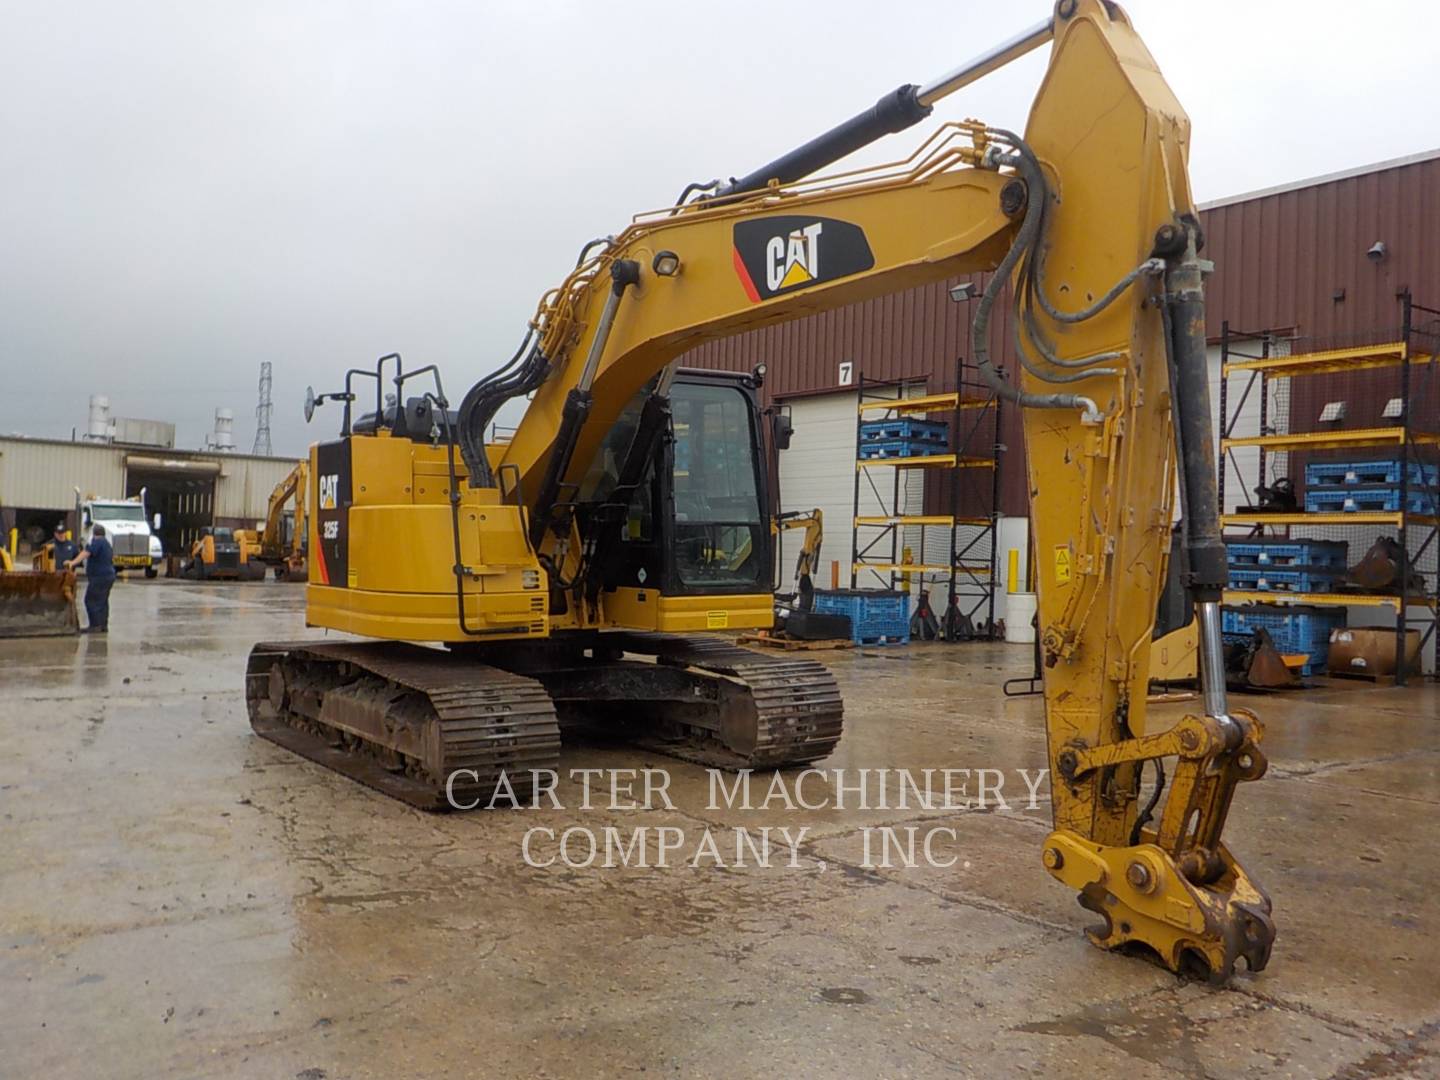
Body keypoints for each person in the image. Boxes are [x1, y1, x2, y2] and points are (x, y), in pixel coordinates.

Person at [65, 524, 116, 633]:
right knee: (102, 601)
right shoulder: (107, 544)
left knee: (91, 600)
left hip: (99, 577)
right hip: (109, 576)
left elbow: (86, 552)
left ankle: (95, 625)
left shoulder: (97, 542)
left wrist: (72, 562)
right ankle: (103, 625)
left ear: (94, 534)